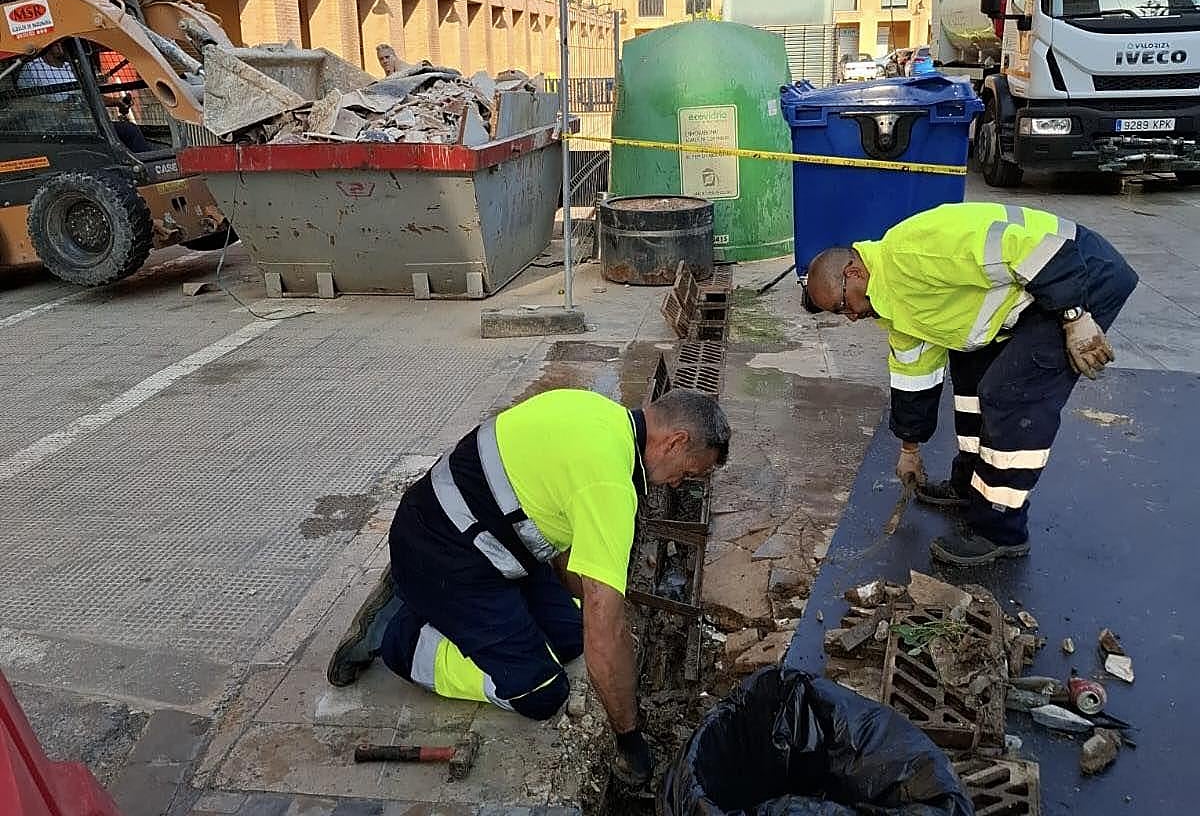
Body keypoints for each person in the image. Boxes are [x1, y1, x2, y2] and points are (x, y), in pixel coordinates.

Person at [326, 387, 730, 786]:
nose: (679, 484)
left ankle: (426, 596)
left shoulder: (598, 414)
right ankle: (398, 633)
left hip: (483, 535)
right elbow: (607, 635)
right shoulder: (609, 485)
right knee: (541, 691)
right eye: (690, 471)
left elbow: (548, 520)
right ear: (676, 442)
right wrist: (629, 736)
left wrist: (601, 603)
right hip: (443, 553)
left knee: (573, 638)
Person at [803, 202, 1138, 566]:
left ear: (853, 272)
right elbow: (914, 377)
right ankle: (970, 486)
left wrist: (1074, 316)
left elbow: (1030, 248)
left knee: (1009, 394)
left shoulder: (914, 252)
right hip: (1036, 293)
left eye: (841, 306)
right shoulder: (891, 303)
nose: (850, 317)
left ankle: (1001, 530)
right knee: (968, 368)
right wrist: (909, 451)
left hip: (1077, 274)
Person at [16, 42, 150, 152]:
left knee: (129, 130)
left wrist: (116, 101)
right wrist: (55, 108)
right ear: (52, 46)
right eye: (63, 44)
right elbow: (23, 103)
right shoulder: (32, 70)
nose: (67, 48)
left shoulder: (72, 68)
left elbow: (88, 96)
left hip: (84, 125)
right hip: (54, 130)